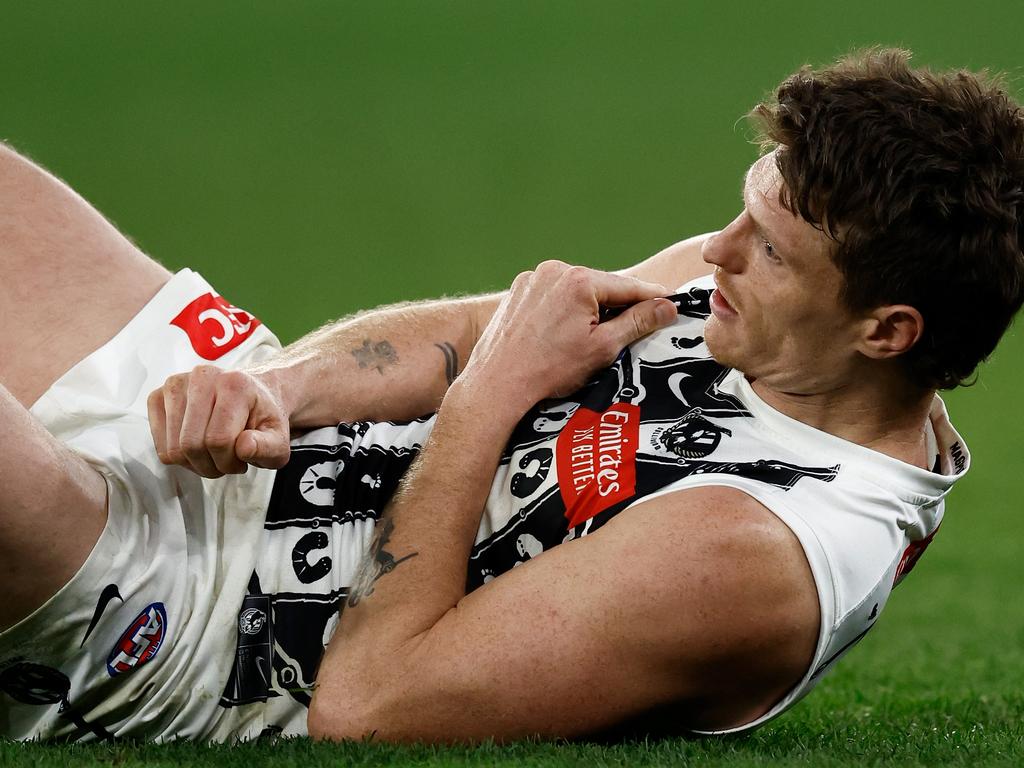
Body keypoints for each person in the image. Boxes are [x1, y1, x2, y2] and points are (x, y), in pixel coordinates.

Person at [1, 48, 1022, 743]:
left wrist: (488, 400)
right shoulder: (754, 310)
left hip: (190, 618)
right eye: (743, 211)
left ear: (885, 331)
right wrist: (271, 388)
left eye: (768, 248)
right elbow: (477, 337)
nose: (714, 253)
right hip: (243, 471)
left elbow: (368, 707)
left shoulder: (757, 552)